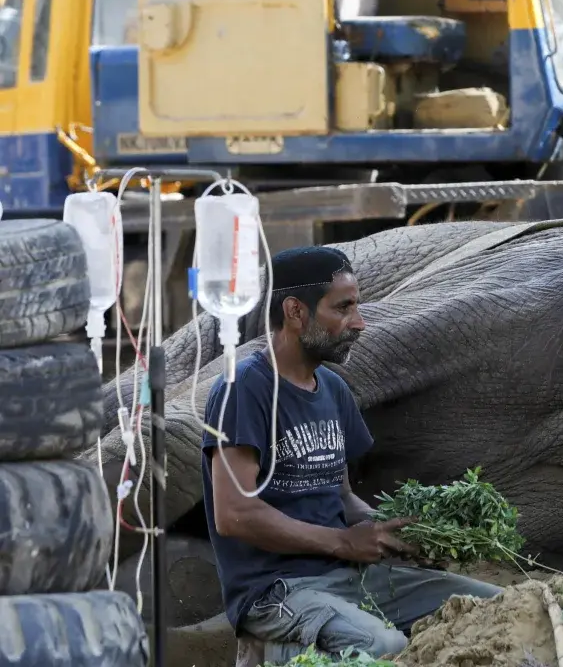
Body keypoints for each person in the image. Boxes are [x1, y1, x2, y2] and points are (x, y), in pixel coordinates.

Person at [200, 246, 502, 663]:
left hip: (346, 576)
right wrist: (343, 543)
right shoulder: (243, 389)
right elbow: (233, 514)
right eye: (343, 308)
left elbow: (341, 498)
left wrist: (393, 533)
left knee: (495, 606)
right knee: (381, 645)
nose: (359, 323)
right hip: (276, 590)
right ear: (295, 311)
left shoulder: (334, 390)